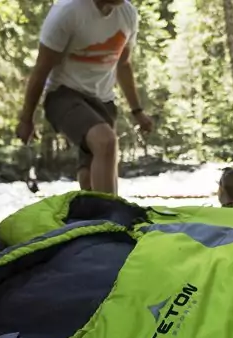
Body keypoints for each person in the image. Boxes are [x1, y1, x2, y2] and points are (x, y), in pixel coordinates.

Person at [16, 0, 154, 195]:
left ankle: (91, 216)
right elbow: (41, 69)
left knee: (90, 178)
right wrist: (26, 118)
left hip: (103, 101)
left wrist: (137, 111)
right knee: (106, 142)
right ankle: (110, 218)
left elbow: (123, 65)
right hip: (64, 95)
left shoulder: (127, 13)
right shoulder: (68, 12)